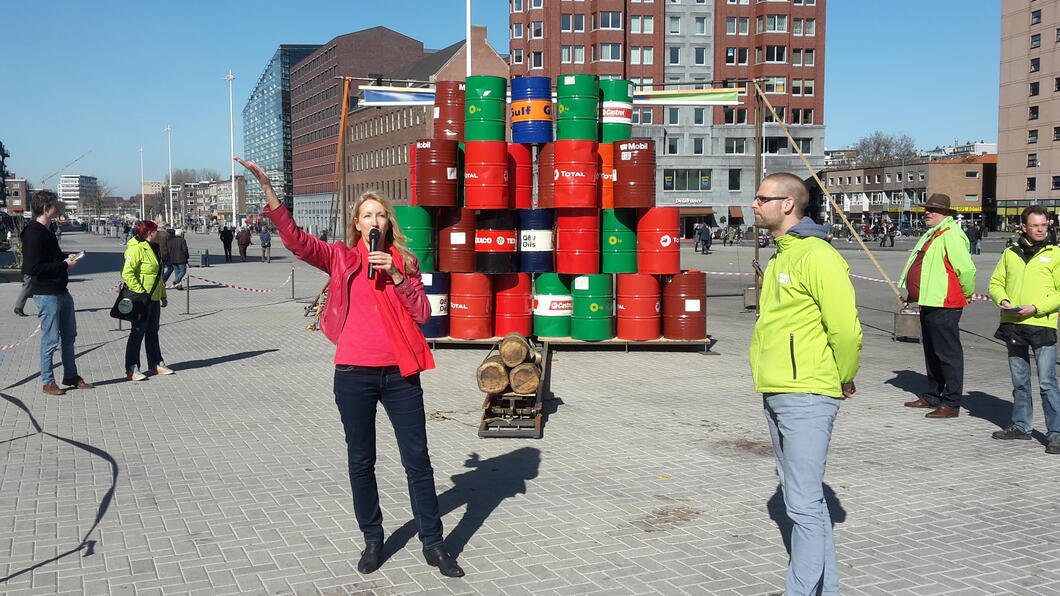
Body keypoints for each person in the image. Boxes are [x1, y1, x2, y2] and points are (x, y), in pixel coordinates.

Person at [236, 156, 465, 578]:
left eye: (380, 214)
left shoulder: (406, 263)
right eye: (366, 215)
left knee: (418, 461)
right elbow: (297, 241)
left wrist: (396, 276)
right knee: (362, 460)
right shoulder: (341, 258)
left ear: (387, 223)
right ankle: (373, 539)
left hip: (400, 374)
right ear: (357, 224)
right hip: (354, 375)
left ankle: (434, 544)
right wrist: (269, 191)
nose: (373, 220)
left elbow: (423, 315)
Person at [749, 173, 862, 596]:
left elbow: (846, 330)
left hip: (807, 394)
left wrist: (843, 376)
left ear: (788, 205)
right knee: (806, 503)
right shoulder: (782, 255)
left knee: (802, 504)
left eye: (763, 198)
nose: (755, 204)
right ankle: (822, 590)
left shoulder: (817, 255)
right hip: (778, 389)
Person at [988, 206, 1060, 454]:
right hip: (1014, 325)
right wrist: (1004, 301)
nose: (1041, 229)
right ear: (1024, 228)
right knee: (1020, 381)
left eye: (1044, 225)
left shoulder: (1056, 254)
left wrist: (1036, 307)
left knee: (1048, 382)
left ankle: (1056, 432)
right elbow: (996, 282)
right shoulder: (1011, 253)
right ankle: (1021, 425)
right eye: (1035, 225)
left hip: (1042, 324)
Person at [898, 193, 977, 418]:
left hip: (945, 303)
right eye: (927, 209)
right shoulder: (933, 234)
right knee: (932, 352)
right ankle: (933, 395)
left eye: (933, 210)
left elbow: (967, 270)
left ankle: (951, 403)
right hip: (929, 301)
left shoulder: (952, 235)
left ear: (945, 213)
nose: (927, 213)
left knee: (947, 354)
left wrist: (966, 293)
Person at [21, 192, 94, 395]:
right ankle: (48, 381)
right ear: (46, 208)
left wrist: (66, 258)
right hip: (46, 293)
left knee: (69, 336)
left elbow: (51, 258)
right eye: (55, 206)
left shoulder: (48, 230)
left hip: (61, 291)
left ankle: (71, 375)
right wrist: (63, 266)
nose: (58, 209)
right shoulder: (33, 233)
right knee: (50, 339)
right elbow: (32, 268)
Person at [122, 220, 174, 381]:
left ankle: (156, 362)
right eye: (156, 230)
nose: (158, 233)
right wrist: (140, 291)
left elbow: (158, 276)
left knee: (153, 331)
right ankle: (132, 367)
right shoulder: (136, 248)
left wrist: (163, 295)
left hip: (154, 296)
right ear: (149, 232)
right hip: (141, 298)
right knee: (137, 332)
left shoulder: (154, 247)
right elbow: (127, 273)